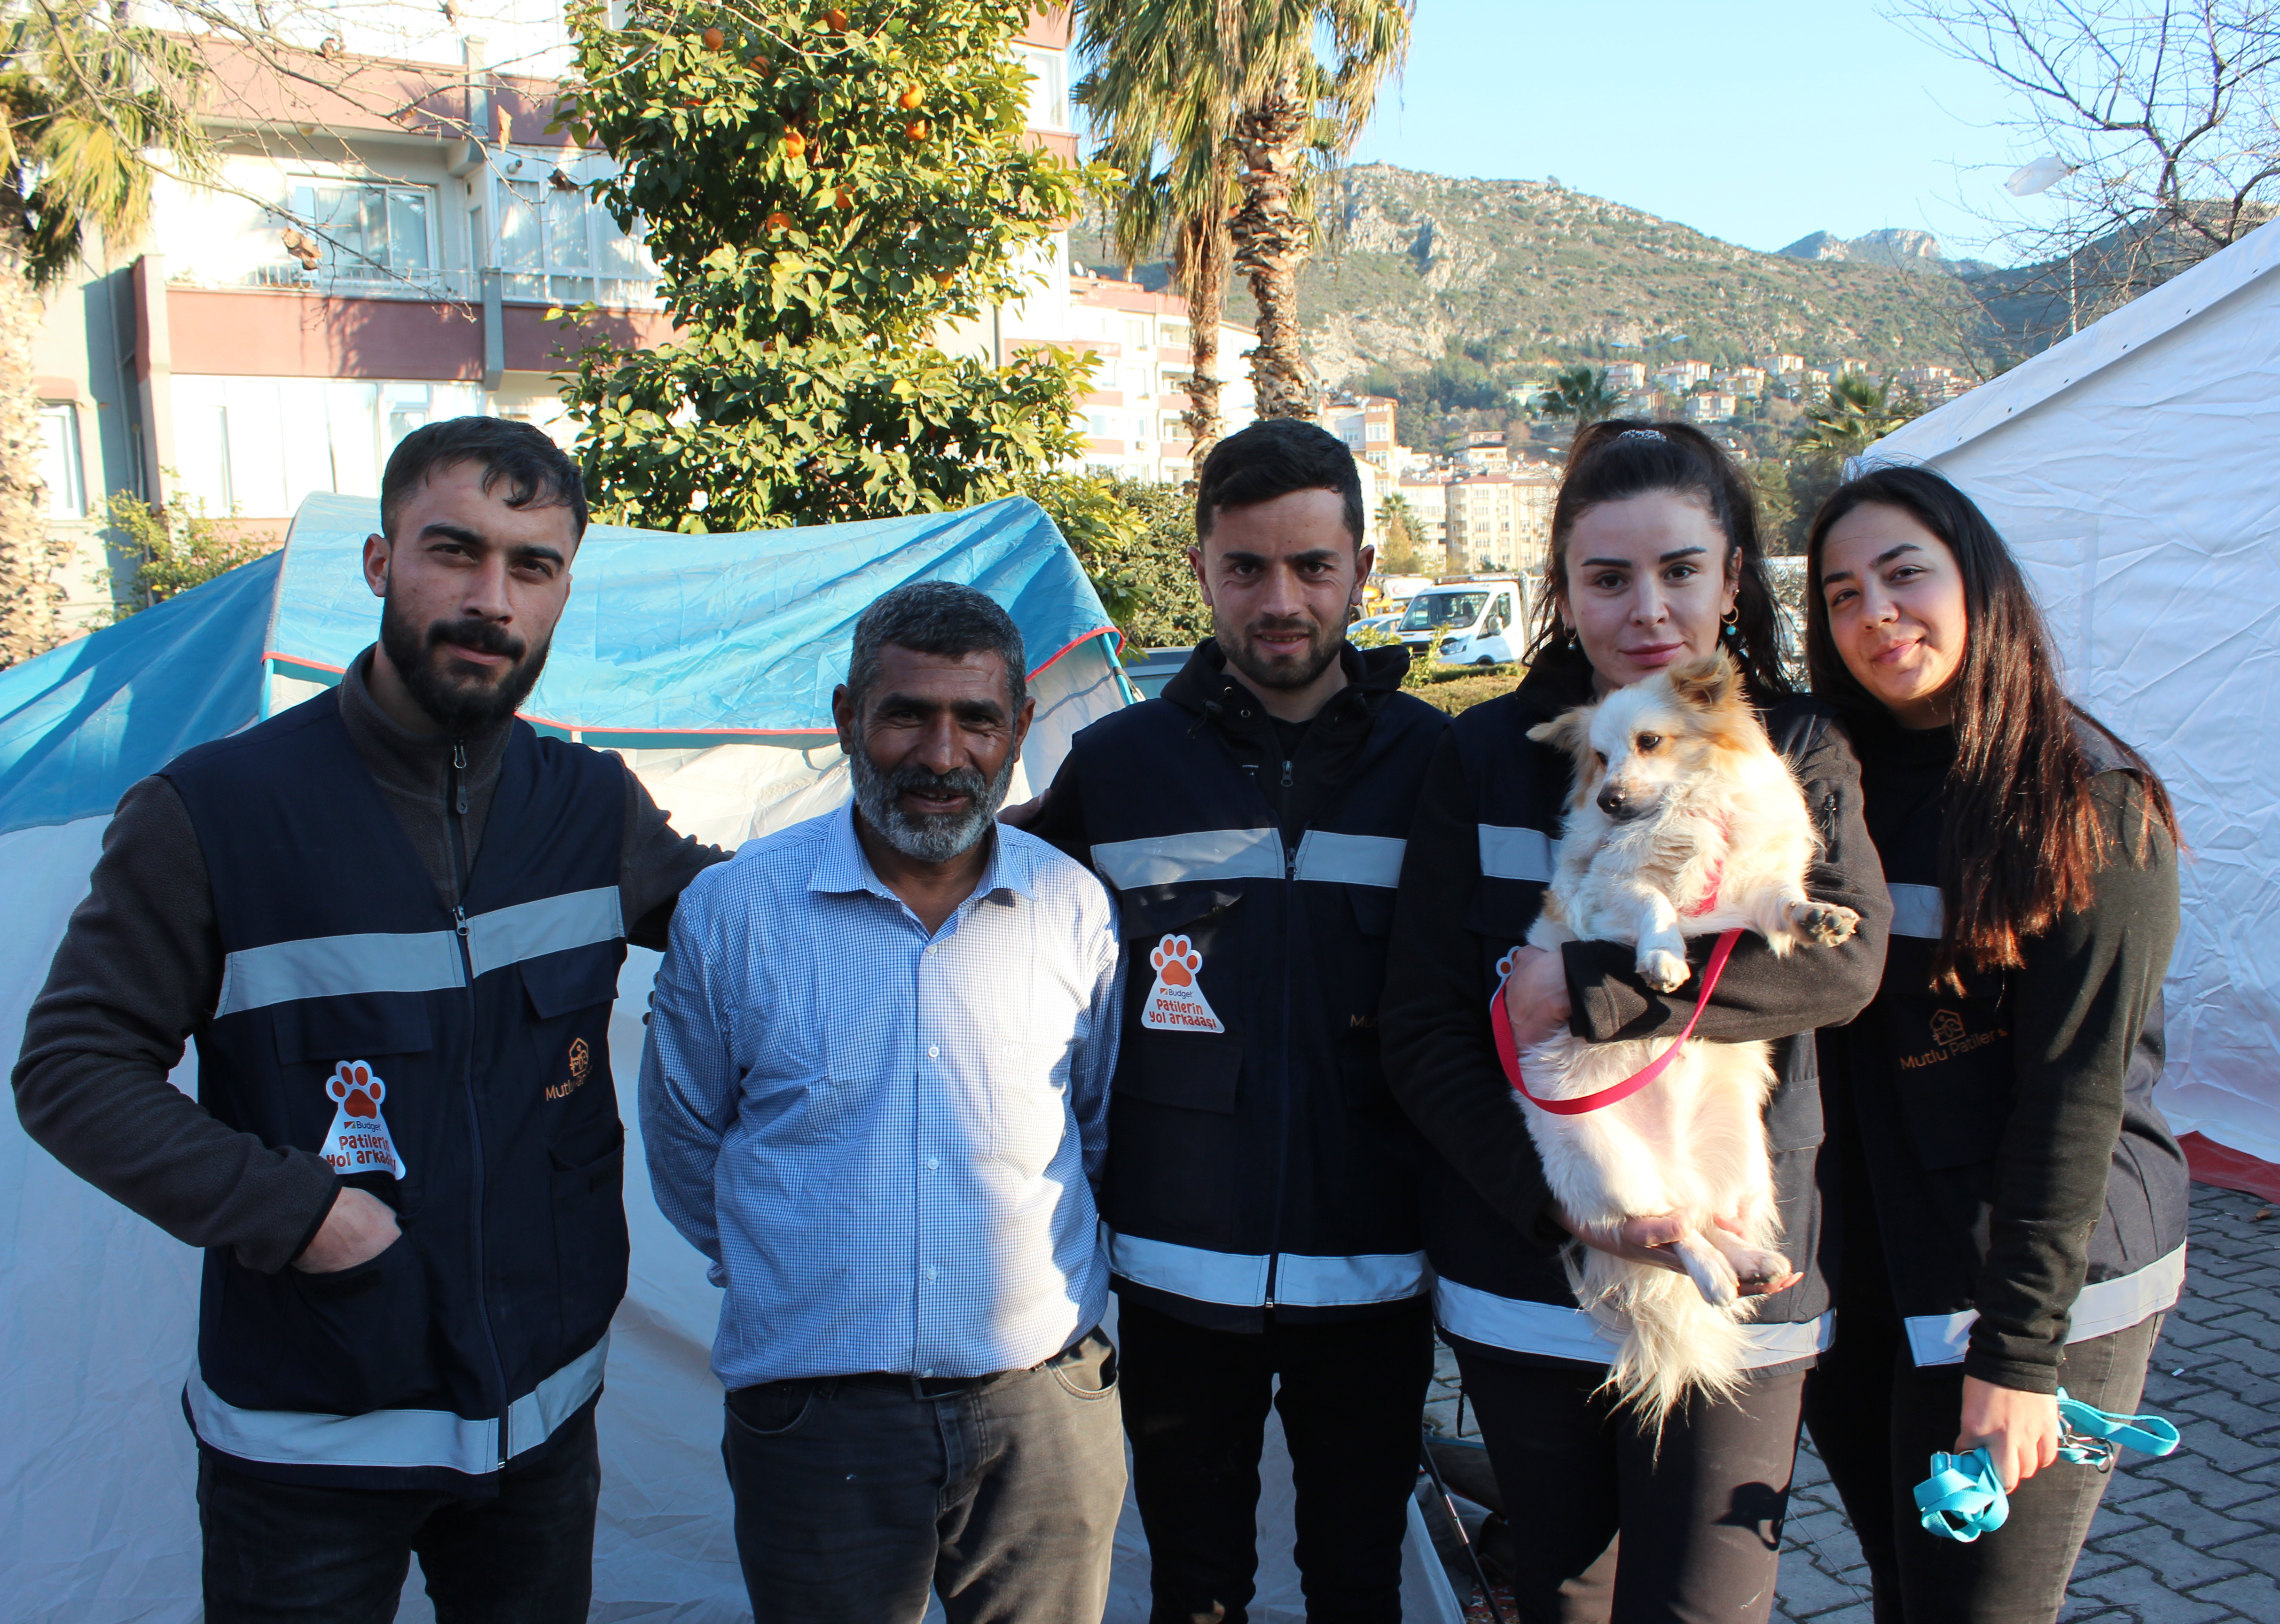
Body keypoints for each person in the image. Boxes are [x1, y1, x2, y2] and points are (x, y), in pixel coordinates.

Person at [10, 417, 723, 1621]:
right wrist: (304, 1218)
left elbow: (752, 910)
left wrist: (955, 853)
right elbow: (74, 1070)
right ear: (381, 563)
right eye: (455, 551)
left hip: (544, 1424)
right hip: (307, 1442)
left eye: (532, 566)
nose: (490, 598)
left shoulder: (591, 807)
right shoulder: (212, 814)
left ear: (561, 592)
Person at [1380, 420, 1889, 1624]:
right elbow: (1422, 1024)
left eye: (1680, 570)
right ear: (1563, 591)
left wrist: (1596, 990)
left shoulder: (1800, 744)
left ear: (1731, 578)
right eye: (1608, 578)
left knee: (1704, 1607)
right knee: (1564, 1597)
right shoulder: (1489, 753)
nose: (1647, 609)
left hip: (1740, 1262)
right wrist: (1562, 1206)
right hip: (1529, 1272)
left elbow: (1841, 965)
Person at [1018, 419, 1451, 1622]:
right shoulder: (1116, 765)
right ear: (1201, 567)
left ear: (1362, 570)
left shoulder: (1439, 768)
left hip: (1376, 1274)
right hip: (1171, 1280)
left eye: (1313, 567)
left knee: (1357, 1586)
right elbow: (982, 931)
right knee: (1197, 1591)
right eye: (1247, 567)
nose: (1281, 599)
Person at [640, 580, 1128, 1624]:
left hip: (1043, 1408)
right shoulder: (734, 913)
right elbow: (686, 1143)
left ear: (1022, 730)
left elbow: (1094, 1130)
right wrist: (799, 1277)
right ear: (846, 718)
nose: (942, 755)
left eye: (976, 719)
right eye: (907, 713)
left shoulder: (1073, 910)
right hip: (816, 1421)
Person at [1798, 466, 2186, 1624]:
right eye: (1841, 593)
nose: (1877, 613)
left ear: (1981, 583)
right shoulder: (1830, 787)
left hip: (2027, 1281)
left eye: (1906, 574)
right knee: (1907, 1591)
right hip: (1867, 1271)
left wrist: (2020, 1359)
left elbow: (2076, 1098)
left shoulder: (2087, 798)